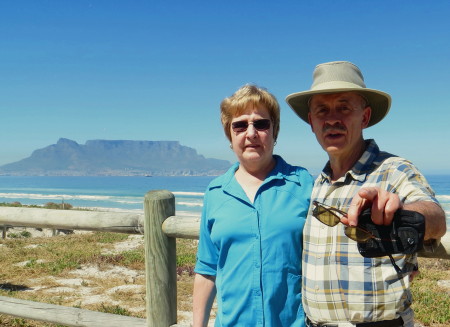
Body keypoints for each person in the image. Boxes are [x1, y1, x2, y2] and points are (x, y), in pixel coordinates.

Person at [285, 61, 446, 327]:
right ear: (312, 122)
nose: (332, 118)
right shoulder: (317, 185)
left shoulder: (394, 171)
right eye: (322, 110)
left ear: (365, 117)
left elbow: (436, 218)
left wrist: (403, 215)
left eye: (344, 107)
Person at [193, 84, 313, 326]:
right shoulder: (216, 192)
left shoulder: (303, 184)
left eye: (260, 124)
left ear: (274, 131)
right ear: (230, 135)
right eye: (240, 125)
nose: (251, 133)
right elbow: (207, 270)